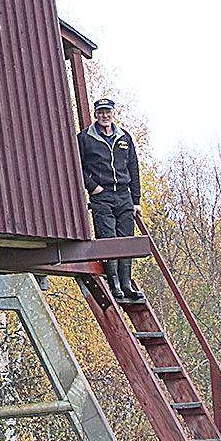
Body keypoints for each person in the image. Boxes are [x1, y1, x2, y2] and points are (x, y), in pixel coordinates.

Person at [77, 97, 144, 303]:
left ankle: (126, 284)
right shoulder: (85, 138)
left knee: (126, 240)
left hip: (123, 195)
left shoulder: (125, 138)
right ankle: (114, 283)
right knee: (108, 238)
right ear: (96, 114)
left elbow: (133, 168)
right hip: (102, 195)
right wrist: (92, 186)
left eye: (108, 112)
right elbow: (77, 165)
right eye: (101, 112)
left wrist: (136, 200)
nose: (105, 116)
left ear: (113, 113)